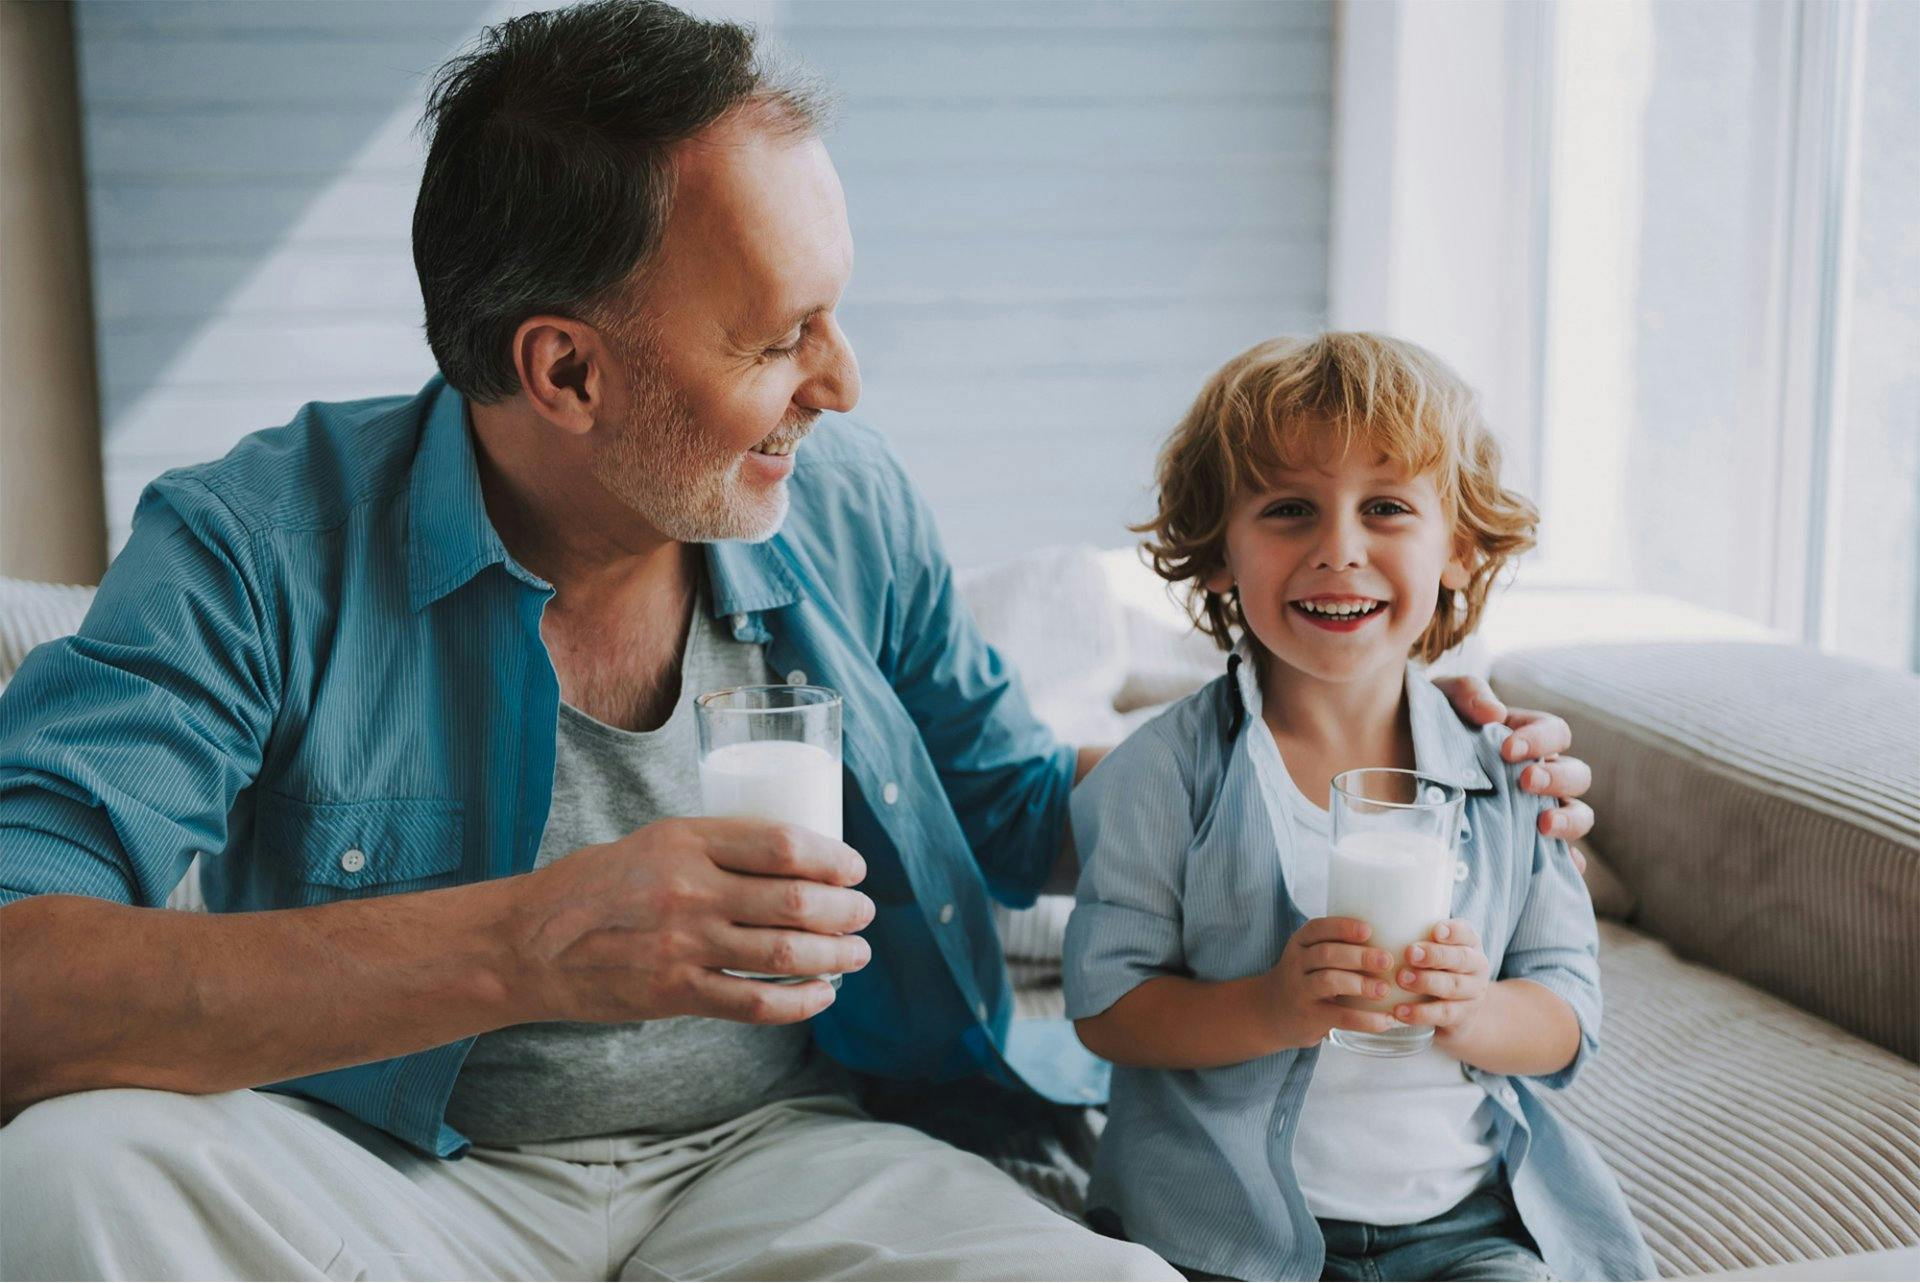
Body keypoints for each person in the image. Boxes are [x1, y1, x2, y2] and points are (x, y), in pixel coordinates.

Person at [0, 4, 1597, 1279]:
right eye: (779, 338)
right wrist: (532, 938)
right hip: (394, 1186)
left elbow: (1019, 801)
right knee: (61, 1180)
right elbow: (19, 970)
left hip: (779, 1170)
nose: (843, 378)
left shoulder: (837, 504)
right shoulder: (256, 544)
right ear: (564, 372)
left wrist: (1346, 730)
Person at [1064, 334, 1654, 1282]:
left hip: (1464, 1228)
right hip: (1221, 1233)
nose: (1339, 547)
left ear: (1457, 547)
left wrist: (1471, 1008)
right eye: (1289, 509)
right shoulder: (1158, 775)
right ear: (1220, 553)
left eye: (1386, 508)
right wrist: (1271, 1004)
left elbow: (1566, 1015)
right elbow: (1107, 1007)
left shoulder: (1506, 772)